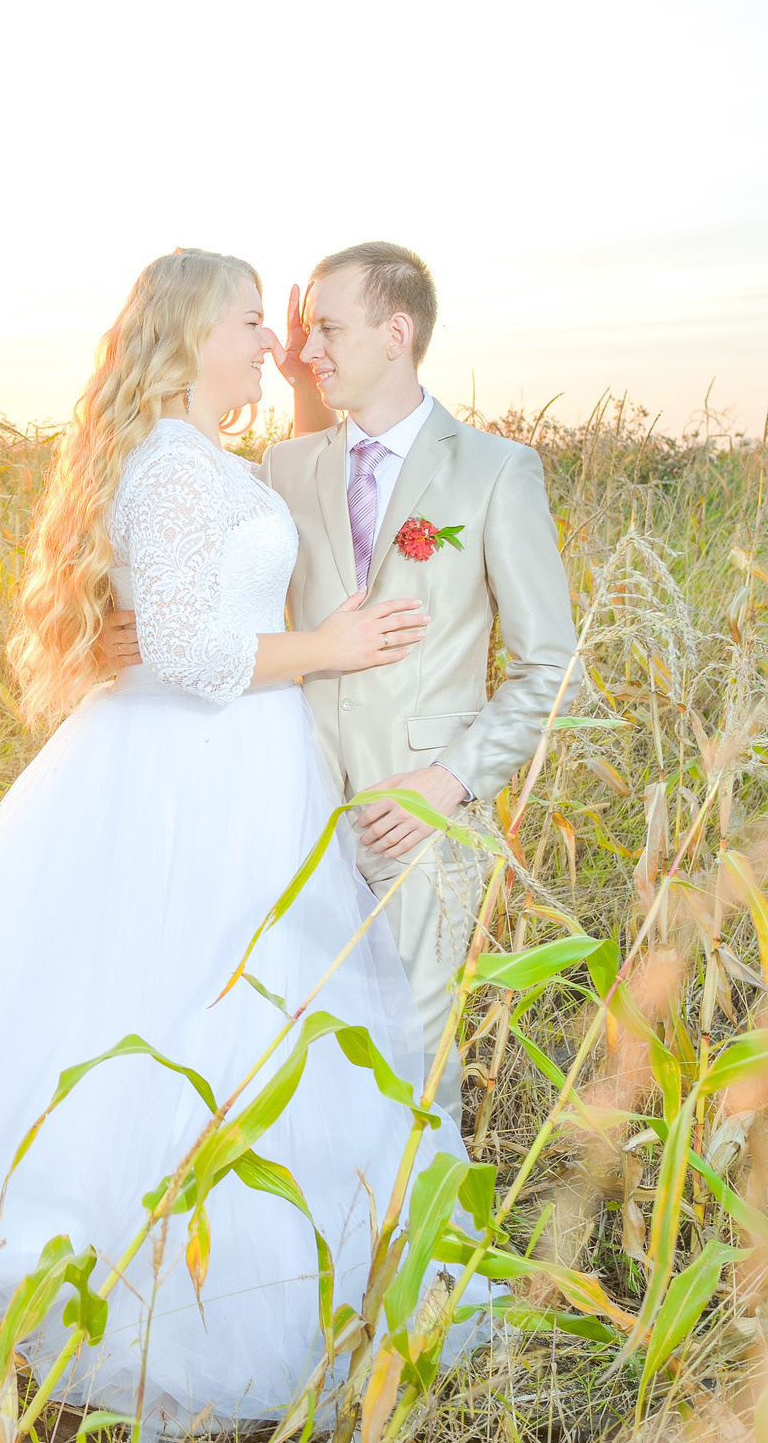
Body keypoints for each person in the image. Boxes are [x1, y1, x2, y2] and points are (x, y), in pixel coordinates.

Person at [0, 249, 479, 1435]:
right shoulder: (174, 473)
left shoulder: (200, 461)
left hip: (234, 768)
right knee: (171, 997)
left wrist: (310, 375)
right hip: (189, 770)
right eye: (245, 323)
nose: (267, 347)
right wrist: (327, 648)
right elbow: (183, 651)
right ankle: (148, 1268)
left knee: (212, 1003)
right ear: (184, 340)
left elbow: (190, 608)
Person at [106, 242, 577, 1127]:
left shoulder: (494, 471)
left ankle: (417, 1257)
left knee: (410, 1070)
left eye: (326, 328)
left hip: (422, 821)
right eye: (295, 330)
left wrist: (449, 783)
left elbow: (551, 667)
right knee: (288, 1067)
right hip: (286, 816)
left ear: (396, 333)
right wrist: (121, 628)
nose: (303, 346)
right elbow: (203, 590)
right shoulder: (277, 471)